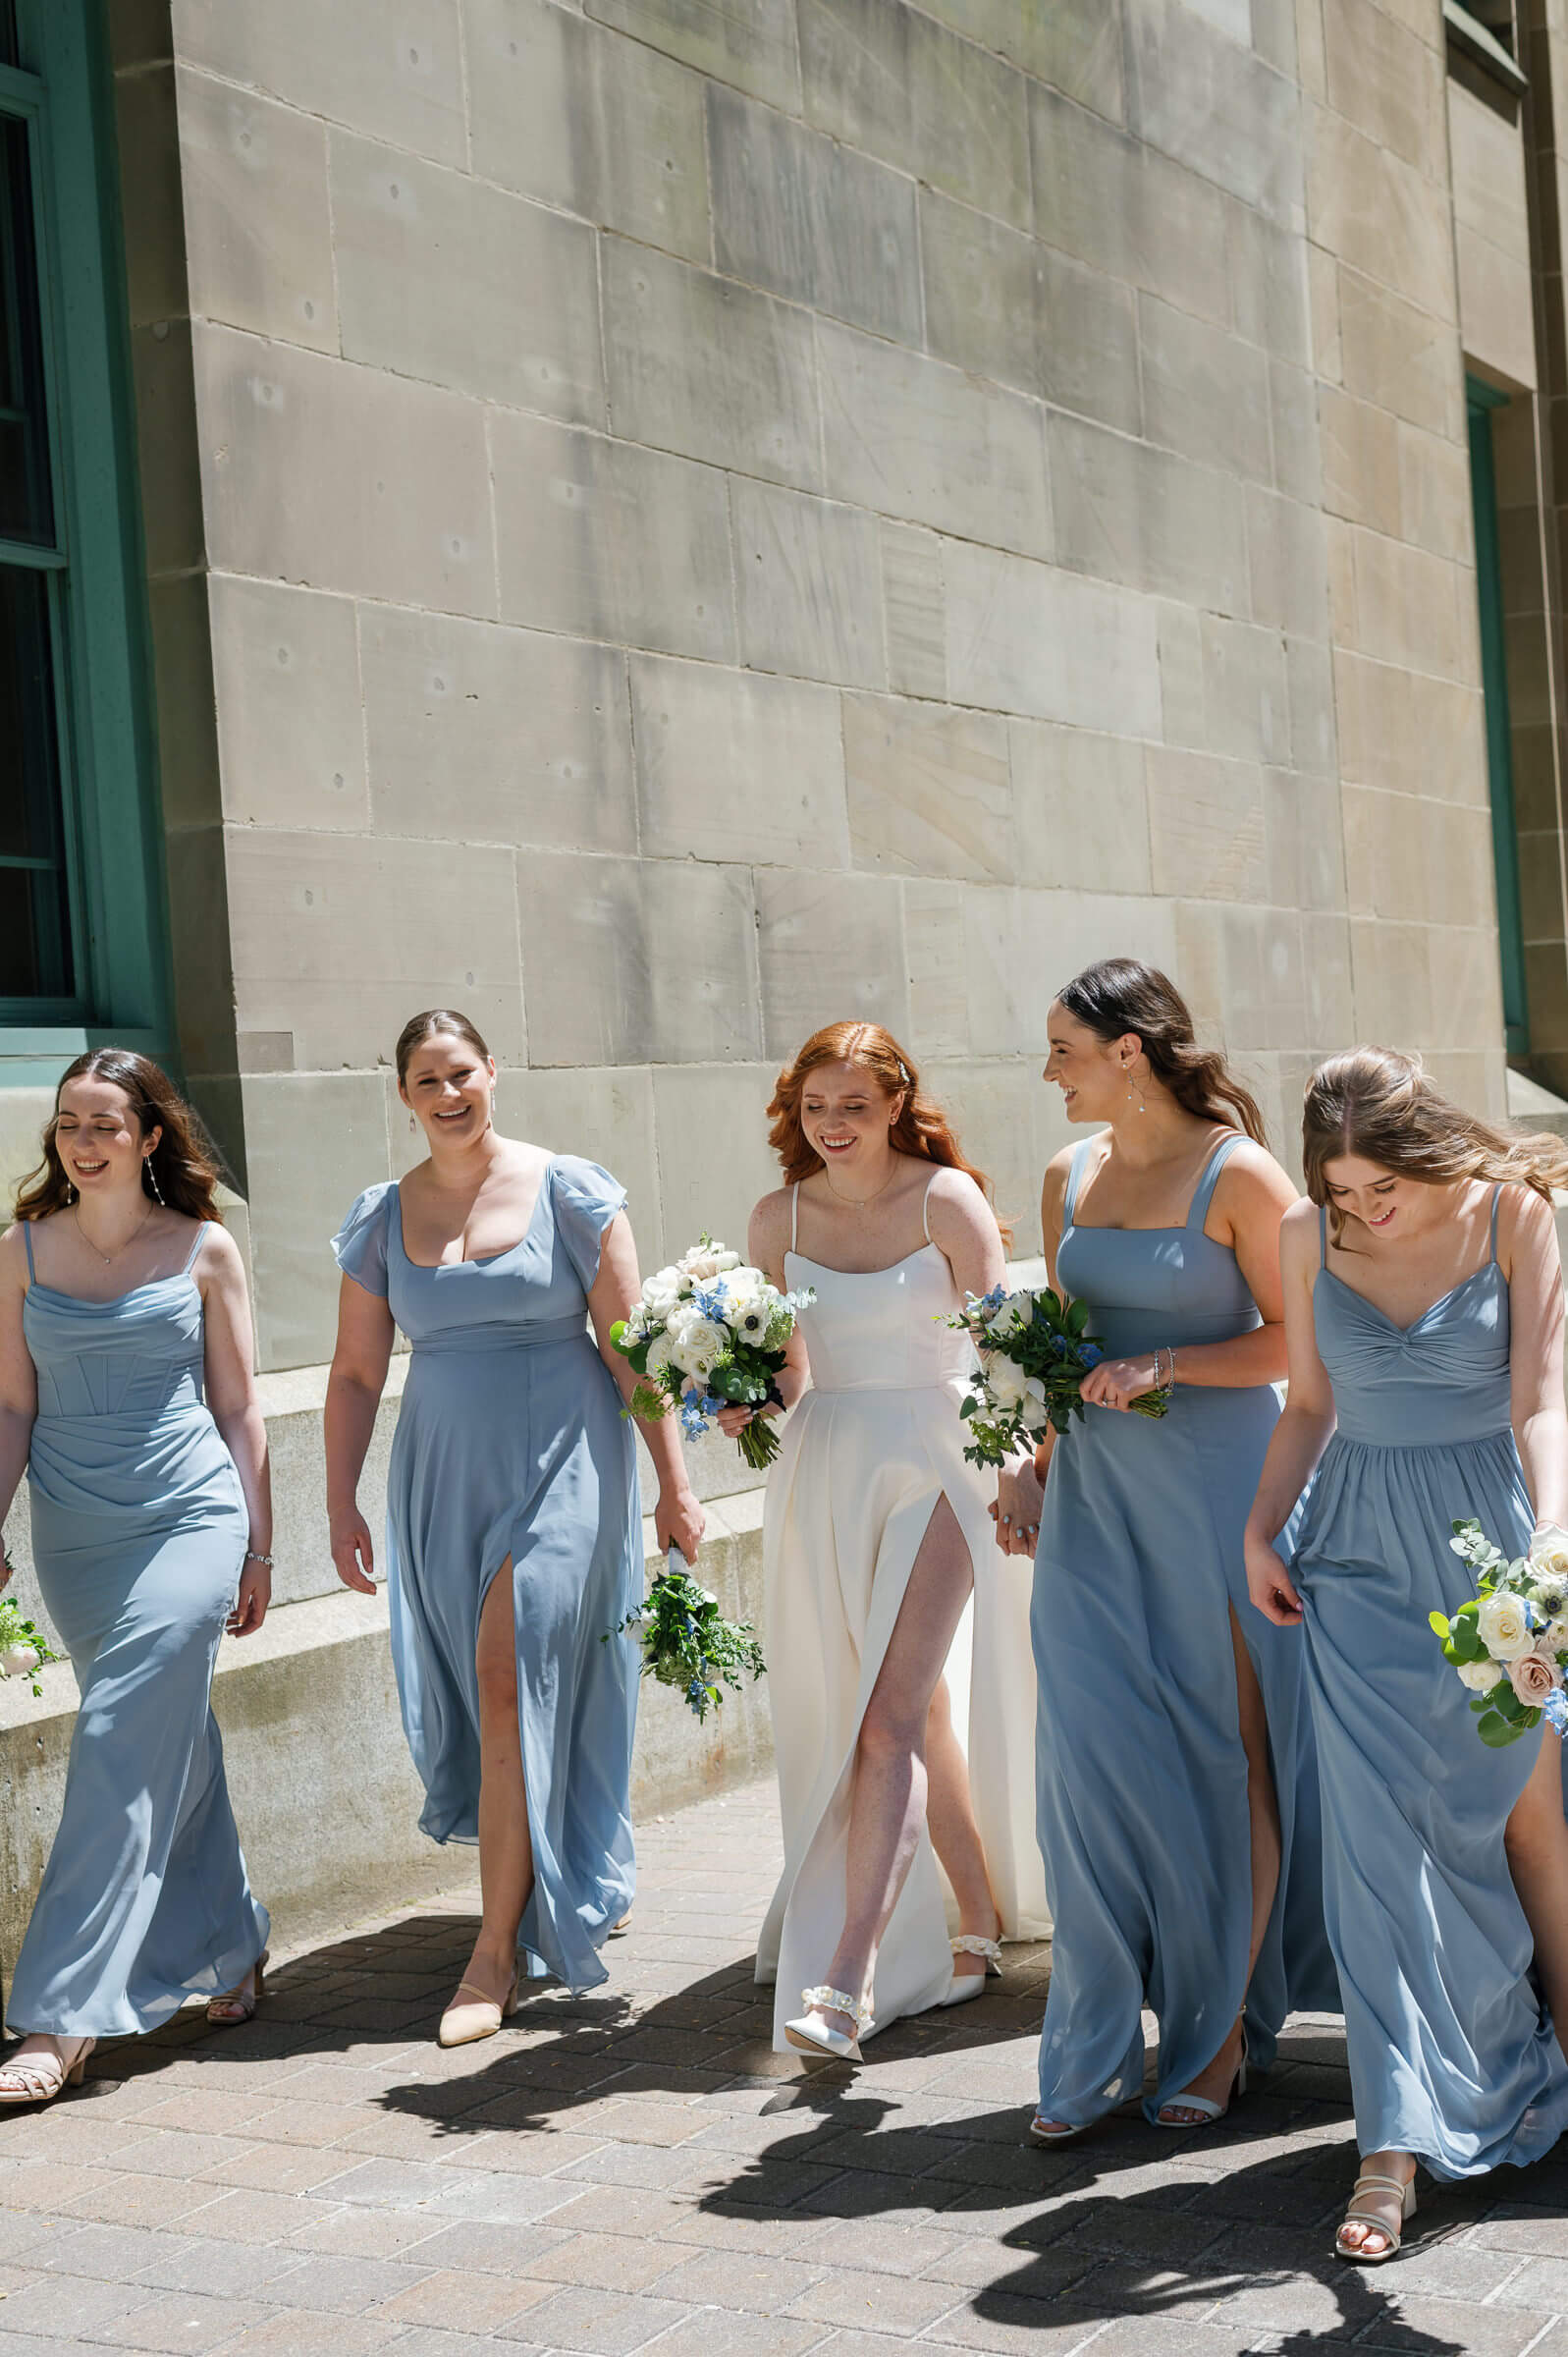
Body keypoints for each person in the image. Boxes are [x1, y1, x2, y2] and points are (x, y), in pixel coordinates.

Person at [996, 959, 1334, 2138]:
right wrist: (1030, 1463)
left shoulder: (1240, 1175)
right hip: (1095, 1495)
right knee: (1085, 1767)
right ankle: (1089, 2050)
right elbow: (1058, 1340)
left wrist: (1171, 1366)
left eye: (1064, 1051)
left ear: (1128, 1051)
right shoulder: (1066, 1176)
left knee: (1225, 1757)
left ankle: (1222, 2034)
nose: (1050, 1073)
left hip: (1218, 1494)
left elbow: (1303, 1349)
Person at [1244, 1047, 1568, 2261]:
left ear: (1424, 1149)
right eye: (1341, 1196)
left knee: (1525, 1821)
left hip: (1496, 1545)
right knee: (1379, 1849)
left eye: (1380, 1188)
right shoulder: (1300, 1231)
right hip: (1356, 1561)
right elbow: (1310, 1407)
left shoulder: (1513, 1214)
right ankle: (1391, 2143)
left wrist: (1548, 1543)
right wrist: (1255, 1534)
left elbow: (1544, 1398)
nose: (1362, 1212)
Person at [325, 1010, 703, 2044]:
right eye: (424, 1082)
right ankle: (557, 1870)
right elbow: (357, 1372)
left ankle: (492, 1957)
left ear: (492, 1072)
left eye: (461, 1074)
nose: (447, 1096)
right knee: (499, 1700)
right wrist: (337, 1502)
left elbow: (630, 1348)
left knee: (510, 1676)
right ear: (403, 1096)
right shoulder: (377, 1218)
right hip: (442, 1475)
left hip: (565, 1460)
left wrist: (674, 1484)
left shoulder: (571, 1193)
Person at [729, 1021, 1047, 2061]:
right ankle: (975, 1912)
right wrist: (735, 1399)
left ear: (898, 1104)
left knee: (886, 1718)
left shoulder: (943, 1200)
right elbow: (785, 1367)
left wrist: (1020, 1471)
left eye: (853, 1107)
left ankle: (848, 1980)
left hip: (942, 1463)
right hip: (829, 1468)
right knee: (915, 1711)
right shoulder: (776, 1217)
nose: (832, 1125)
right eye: (815, 1107)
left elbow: (1005, 1348)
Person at [0, 1051, 271, 2103]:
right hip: (78, 1538)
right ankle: (233, 1937)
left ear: (150, 1136)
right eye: (70, 1121)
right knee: (169, 1739)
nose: (84, 1139)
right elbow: (12, 1409)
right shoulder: (20, 1252)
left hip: (190, 1520)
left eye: (107, 1122)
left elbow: (242, 1410)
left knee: (118, 1738)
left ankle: (63, 2016)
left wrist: (257, 1544)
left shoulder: (205, 1249)